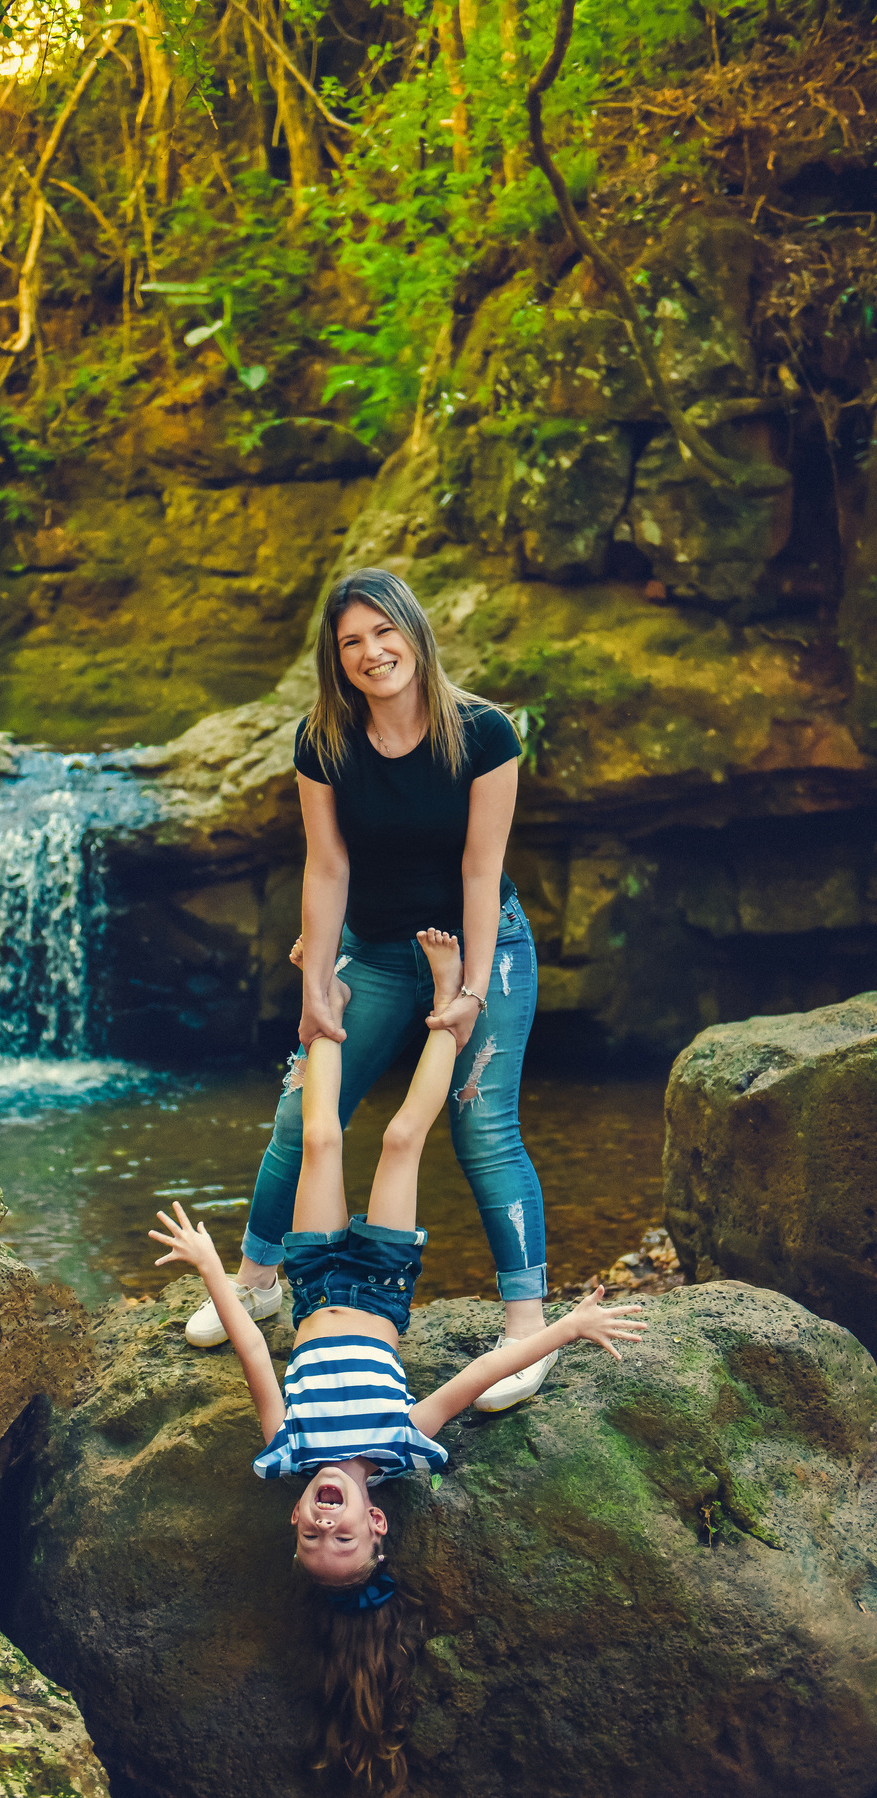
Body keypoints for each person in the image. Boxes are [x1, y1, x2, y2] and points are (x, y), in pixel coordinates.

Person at [150, 932, 646, 1797]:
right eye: (342, 1538)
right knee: (402, 1140)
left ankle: (325, 1002)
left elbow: (255, 1350)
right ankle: (449, 1010)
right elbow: (474, 1380)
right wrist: (567, 1328)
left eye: (310, 1538)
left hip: (311, 1285)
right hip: (379, 1288)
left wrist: (213, 1270)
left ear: (293, 1520)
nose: (323, 1525)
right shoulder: (399, 1442)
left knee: (320, 1139)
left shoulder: (288, 1445)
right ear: (377, 1525)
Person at [185, 566, 551, 1411]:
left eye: (383, 632)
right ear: (336, 657)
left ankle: (527, 1331)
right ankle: (257, 1283)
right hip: (375, 953)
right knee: (300, 1113)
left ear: (413, 633)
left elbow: (481, 867)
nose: (371, 652)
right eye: (351, 641)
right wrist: (315, 985)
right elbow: (327, 865)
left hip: (485, 947)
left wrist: (469, 993)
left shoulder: (484, 733)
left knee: (482, 1125)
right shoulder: (324, 741)